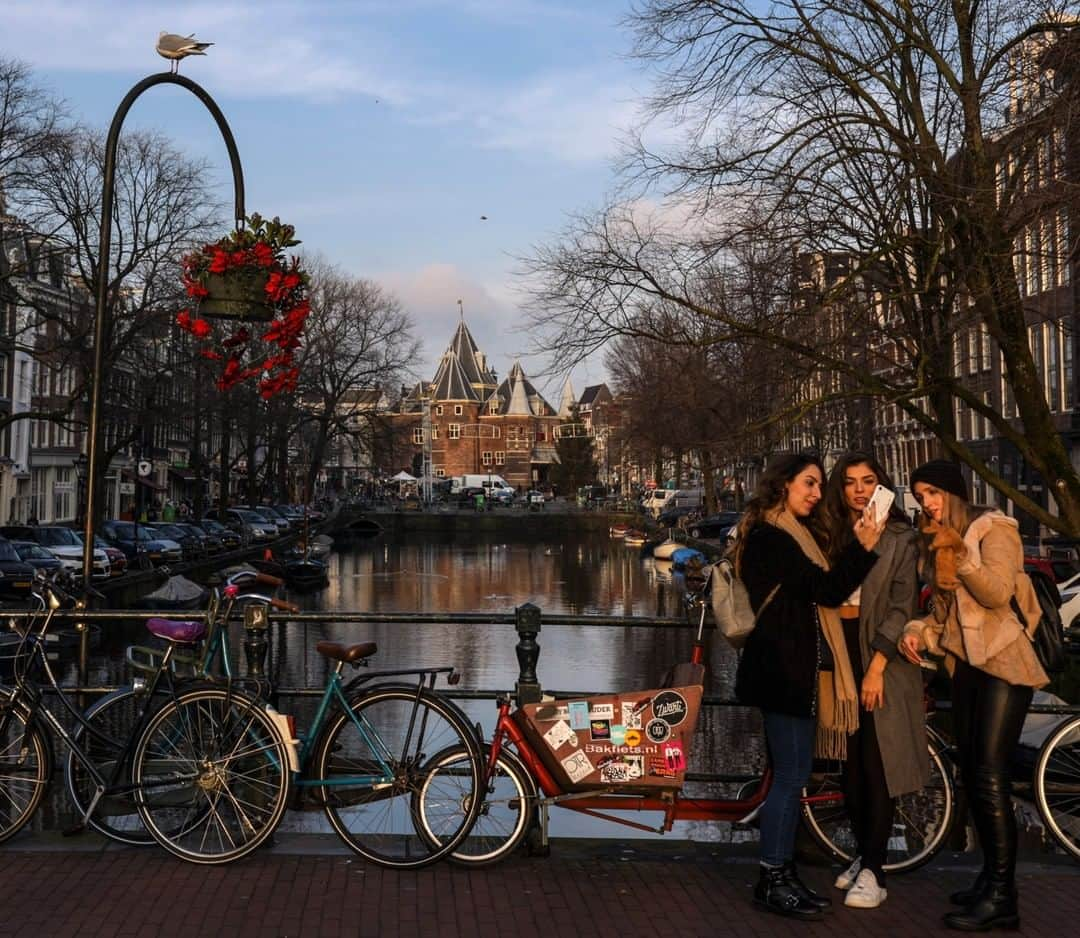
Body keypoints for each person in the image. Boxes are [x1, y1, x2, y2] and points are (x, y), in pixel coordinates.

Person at [733, 453, 885, 921]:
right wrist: (864, 548)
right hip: (783, 674)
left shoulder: (779, 533)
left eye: (820, 485)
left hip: (787, 672)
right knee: (791, 778)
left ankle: (782, 872)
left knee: (791, 776)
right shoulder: (771, 537)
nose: (818, 494)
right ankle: (772, 878)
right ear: (783, 485)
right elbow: (826, 590)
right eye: (810, 484)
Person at [900, 459, 1047, 932]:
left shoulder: (993, 529)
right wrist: (916, 630)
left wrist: (959, 553)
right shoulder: (934, 543)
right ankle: (989, 879)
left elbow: (998, 594)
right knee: (972, 771)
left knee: (989, 775)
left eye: (934, 495)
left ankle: (1004, 897)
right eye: (921, 496)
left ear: (954, 494)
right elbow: (945, 616)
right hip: (964, 667)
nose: (927, 504)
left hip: (1004, 664)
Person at [822, 453, 929, 909]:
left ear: (882, 485)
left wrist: (878, 667)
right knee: (848, 764)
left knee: (876, 763)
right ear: (840, 489)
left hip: (878, 654)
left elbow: (903, 605)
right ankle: (863, 855)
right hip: (839, 651)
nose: (860, 490)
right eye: (851, 483)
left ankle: (875, 870)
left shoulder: (902, 538)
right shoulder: (831, 535)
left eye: (869, 481)